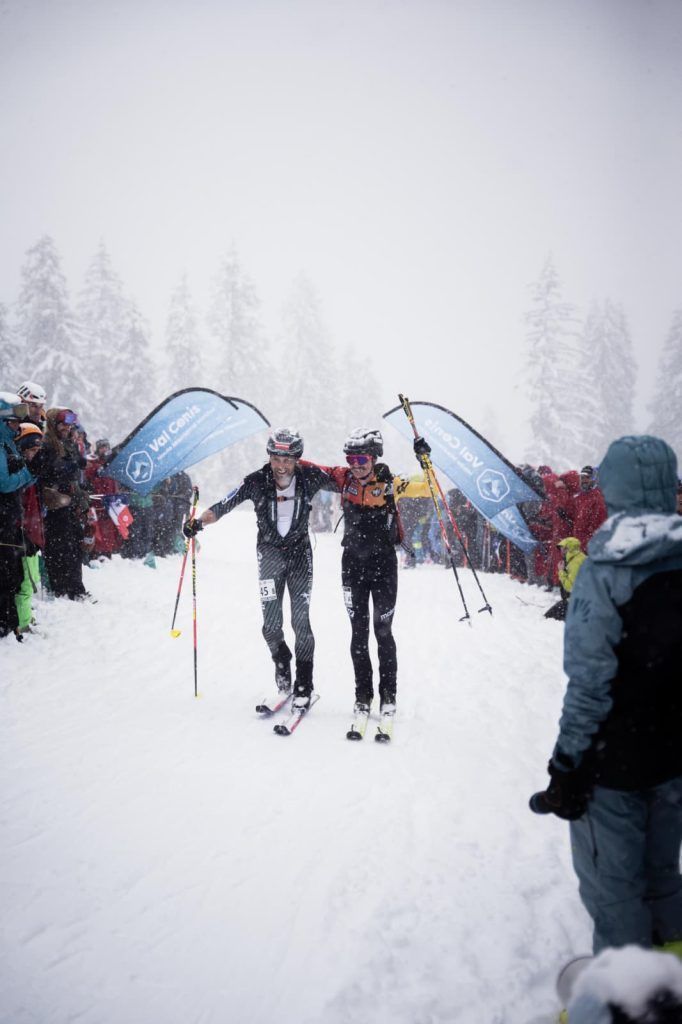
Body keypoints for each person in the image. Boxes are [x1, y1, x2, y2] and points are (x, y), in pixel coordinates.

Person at [530, 435, 682, 955]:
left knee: (615, 893)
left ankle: (625, 1000)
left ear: (613, 490)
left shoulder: (606, 571)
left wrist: (567, 766)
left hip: (612, 764)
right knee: (664, 877)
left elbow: (590, 683)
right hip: (671, 758)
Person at [182, 428, 334, 710]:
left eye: (288, 459)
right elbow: (223, 505)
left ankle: (303, 684)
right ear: (270, 457)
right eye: (276, 458)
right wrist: (198, 523)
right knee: (271, 626)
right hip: (270, 556)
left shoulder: (310, 477)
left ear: (297, 459)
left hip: (301, 557)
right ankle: (283, 671)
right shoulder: (256, 481)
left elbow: (348, 481)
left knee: (301, 622)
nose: (282, 465)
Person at [305, 428, 429, 724]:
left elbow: (429, 486)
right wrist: (286, 457)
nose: (355, 464)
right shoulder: (343, 478)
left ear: (373, 458)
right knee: (358, 634)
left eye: (361, 458)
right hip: (352, 567)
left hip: (384, 566)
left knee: (383, 632)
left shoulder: (392, 484)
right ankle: (363, 696)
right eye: (351, 458)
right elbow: (308, 468)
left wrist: (424, 457)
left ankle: (388, 696)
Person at [0, 393, 33, 639]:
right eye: (12, 422)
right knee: (5, 574)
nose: (16, 427)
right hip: (2, 520)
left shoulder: (8, 443)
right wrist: (28, 473)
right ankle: (4, 623)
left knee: (12, 574)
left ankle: (10, 620)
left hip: (9, 518)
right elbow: (5, 483)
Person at [15, 423, 45, 633]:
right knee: (24, 582)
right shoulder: (17, 470)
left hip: (32, 532)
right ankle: (22, 621)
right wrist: (22, 531)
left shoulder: (30, 470)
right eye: (32, 450)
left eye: (37, 450)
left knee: (32, 578)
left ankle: (27, 616)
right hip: (20, 533)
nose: (35, 454)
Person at [544, 536, 586, 621]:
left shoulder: (575, 563)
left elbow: (570, 587)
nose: (561, 551)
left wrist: (561, 572)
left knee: (548, 617)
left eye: (563, 549)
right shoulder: (580, 557)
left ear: (568, 549)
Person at [573, 464, 607, 552]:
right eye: (582, 478)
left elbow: (600, 524)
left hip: (590, 548)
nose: (584, 480)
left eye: (587, 477)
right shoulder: (579, 498)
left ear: (593, 479)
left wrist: (590, 546)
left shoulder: (597, 498)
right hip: (579, 546)